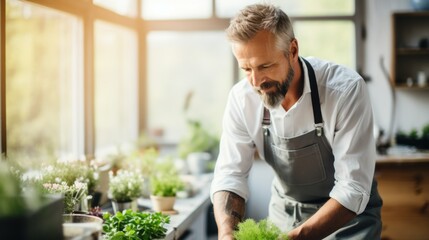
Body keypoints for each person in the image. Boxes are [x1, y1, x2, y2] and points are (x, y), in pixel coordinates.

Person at [210, 3, 383, 240]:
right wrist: (227, 232)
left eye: (265, 66)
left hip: (349, 222)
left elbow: (352, 188)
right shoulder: (242, 99)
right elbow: (230, 175)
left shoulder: (344, 90)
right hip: (284, 215)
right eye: (246, 68)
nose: (256, 81)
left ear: (292, 50)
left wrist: (296, 237)